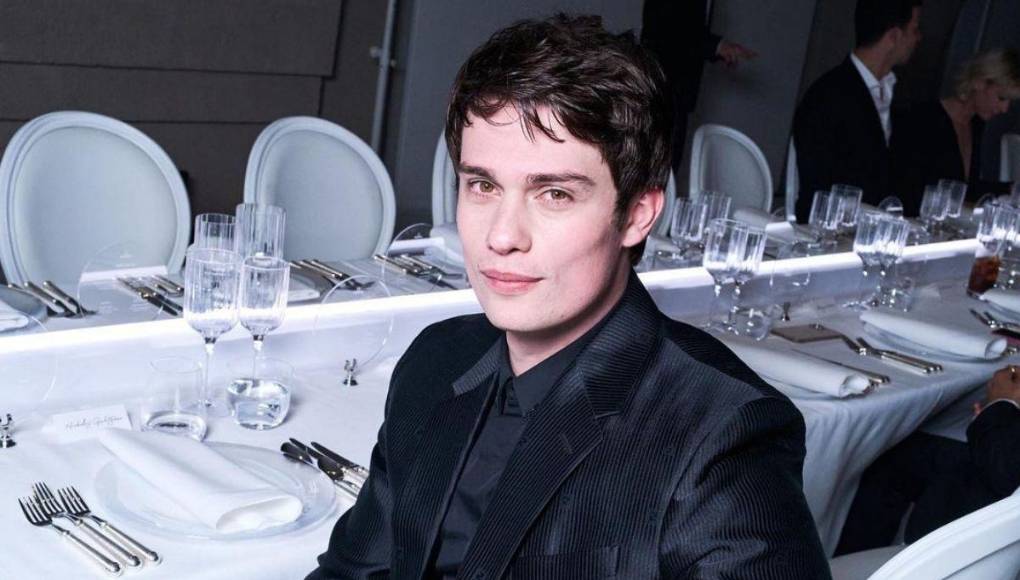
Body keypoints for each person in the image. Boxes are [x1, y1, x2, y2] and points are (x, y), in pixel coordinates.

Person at [308, 14, 828, 580]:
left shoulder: (723, 437)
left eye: (554, 193)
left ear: (637, 214)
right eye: (482, 185)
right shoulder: (435, 361)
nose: (502, 236)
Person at [836, 365, 1020, 555]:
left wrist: (1001, 406)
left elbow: (1004, 471)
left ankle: (861, 563)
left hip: (987, 526)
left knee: (892, 459)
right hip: (1003, 467)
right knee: (897, 455)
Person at [793, 0, 922, 223]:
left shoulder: (898, 94)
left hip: (885, 227)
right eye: (914, 29)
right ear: (893, 36)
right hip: (837, 228)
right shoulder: (827, 96)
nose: (918, 38)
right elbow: (817, 191)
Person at [894, 49, 1020, 215]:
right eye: (1001, 98)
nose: (1004, 108)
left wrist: (1010, 188)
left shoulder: (975, 124)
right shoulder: (924, 119)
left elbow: (966, 187)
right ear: (979, 82)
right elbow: (910, 190)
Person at [641, 0, 757, 177]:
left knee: (665, 168)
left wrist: (718, 49)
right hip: (661, 88)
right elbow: (669, 30)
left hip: (674, 92)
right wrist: (717, 46)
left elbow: (687, 30)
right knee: (655, 169)